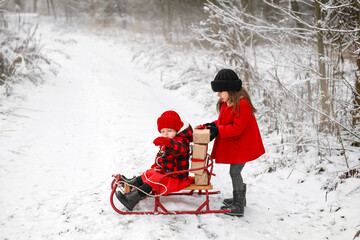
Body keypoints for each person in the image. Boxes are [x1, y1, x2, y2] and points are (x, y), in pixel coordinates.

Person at [200, 69, 265, 217]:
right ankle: (240, 199)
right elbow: (224, 121)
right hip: (238, 145)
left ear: (230, 89)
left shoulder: (242, 104)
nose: (218, 95)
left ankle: (238, 205)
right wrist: (213, 125)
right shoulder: (227, 102)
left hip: (244, 145)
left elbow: (237, 128)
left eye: (221, 91)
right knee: (235, 171)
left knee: (234, 172)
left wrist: (218, 130)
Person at [116, 110, 193, 211]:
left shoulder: (182, 141)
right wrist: (156, 167)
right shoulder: (168, 140)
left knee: (156, 178)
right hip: (169, 173)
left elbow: (179, 149)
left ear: (177, 130)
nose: (166, 134)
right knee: (151, 172)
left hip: (177, 178)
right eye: (163, 131)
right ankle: (132, 184)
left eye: (169, 131)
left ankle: (131, 199)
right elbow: (161, 158)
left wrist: (168, 143)